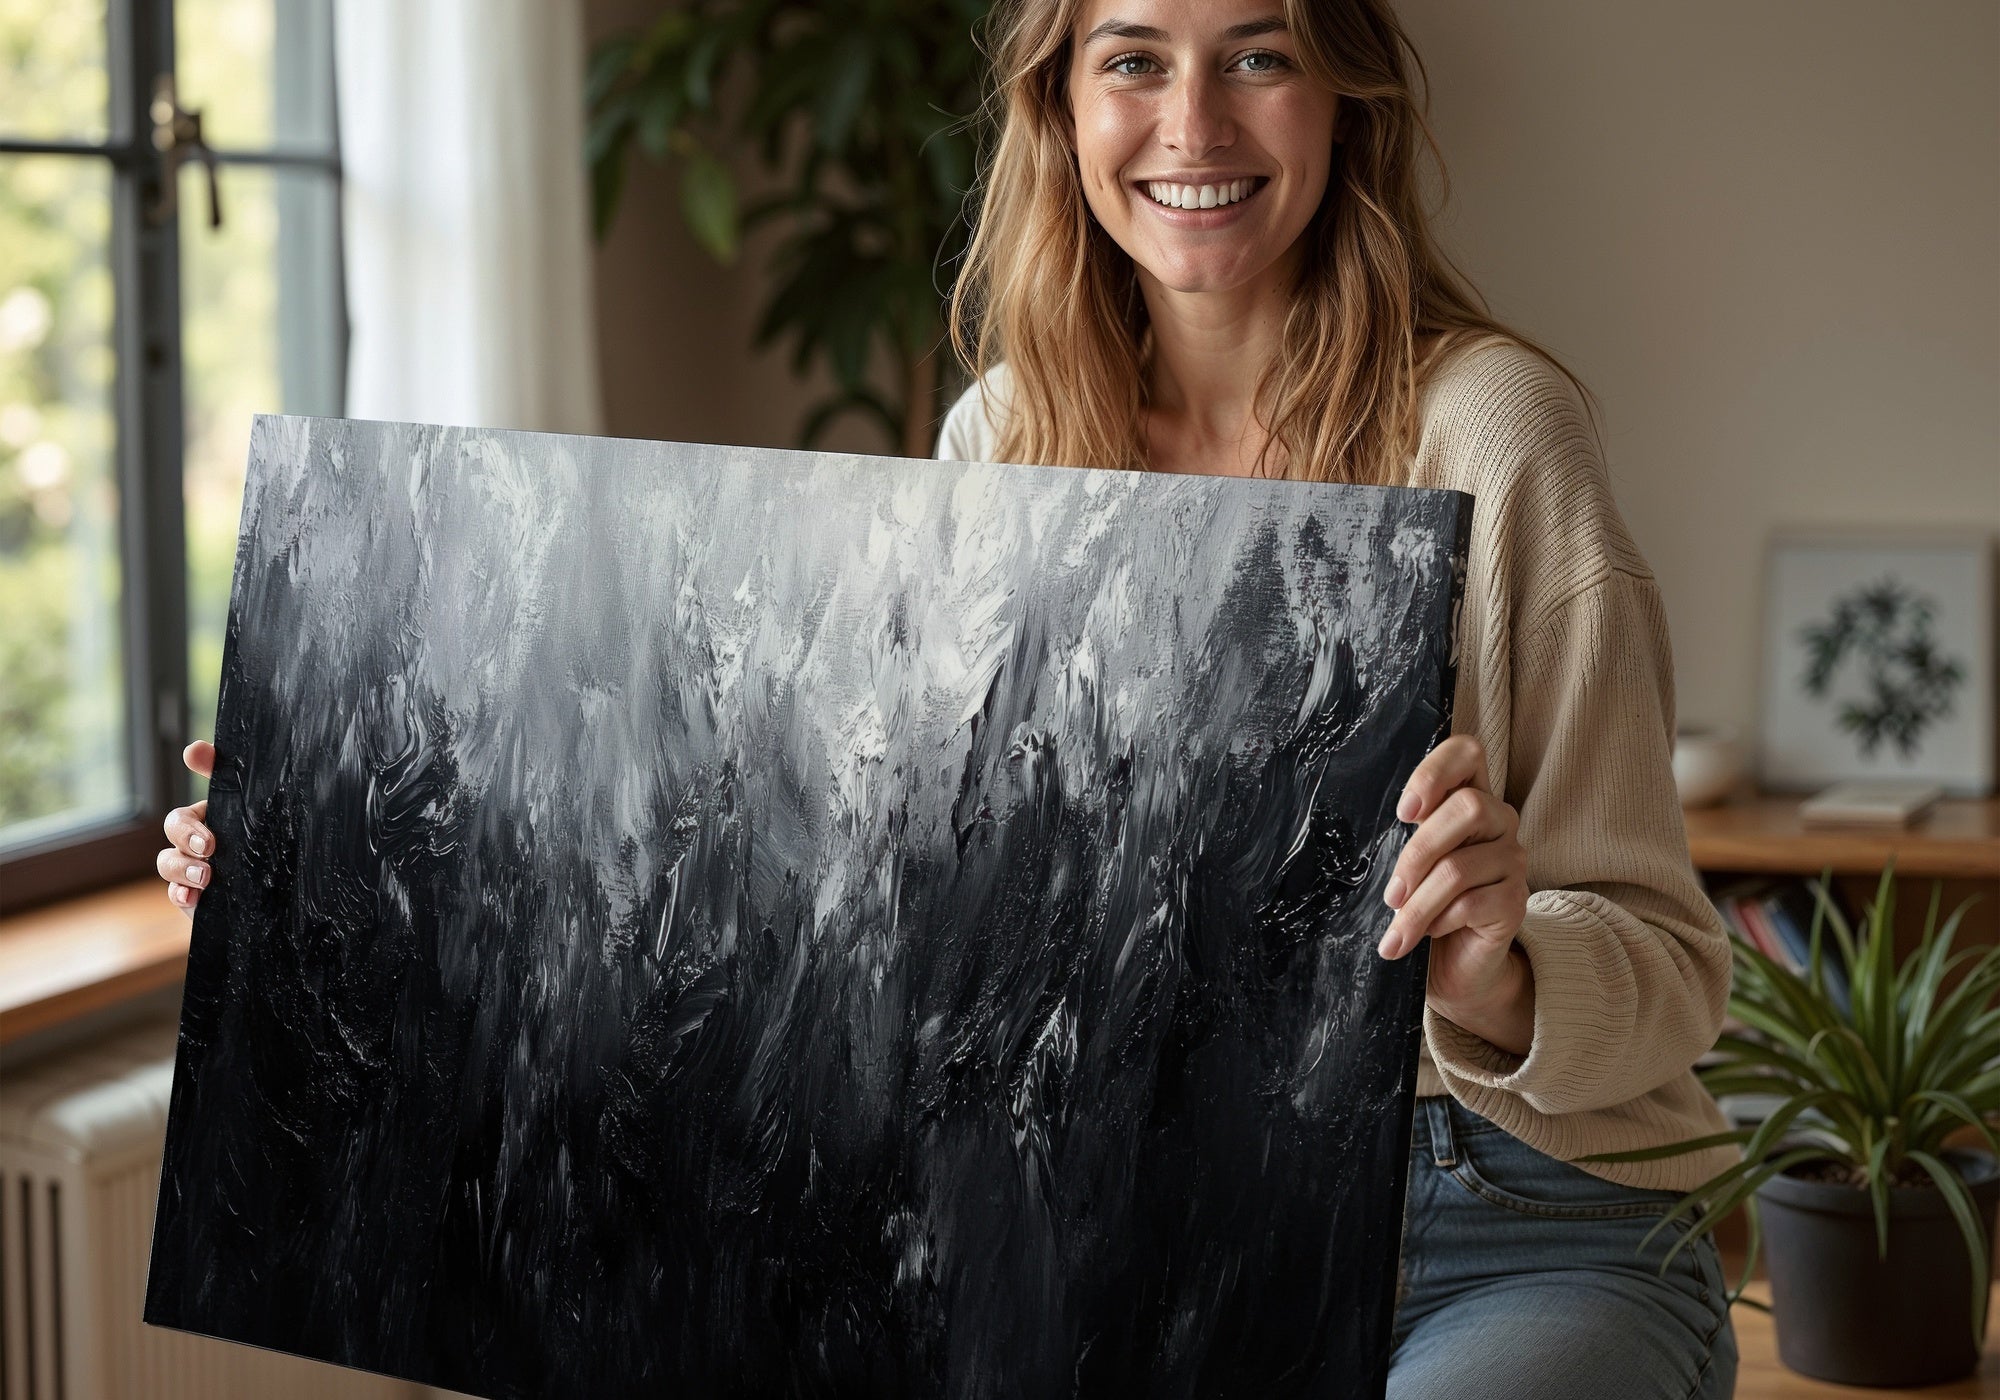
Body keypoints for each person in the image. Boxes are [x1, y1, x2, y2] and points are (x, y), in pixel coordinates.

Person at [157, 0, 1739, 1393]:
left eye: (1259, 55)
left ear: (1344, 97)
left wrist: (1500, 975)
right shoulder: (1003, 447)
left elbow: (1677, 968)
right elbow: (867, 933)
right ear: (1060, 107)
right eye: (1134, 61)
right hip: (1138, 1245)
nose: (1195, 125)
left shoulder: (1491, 431)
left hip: (1520, 1220)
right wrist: (315, 883)